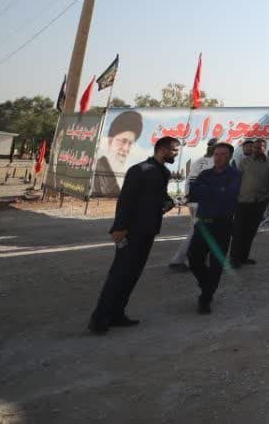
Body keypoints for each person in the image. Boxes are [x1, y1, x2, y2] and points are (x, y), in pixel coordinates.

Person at [88, 136, 178, 334]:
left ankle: (117, 314)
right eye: (174, 150)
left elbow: (157, 196)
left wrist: (168, 202)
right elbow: (126, 200)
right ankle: (99, 319)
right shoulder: (140, 170)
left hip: (148, 230)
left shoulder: (163, 172)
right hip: (131, 231)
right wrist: (119, 228)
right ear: (162, 150)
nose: (176, 154)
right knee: (119, 275)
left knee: (132, 276)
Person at [187, 142, 242, 314]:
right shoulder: (205, 174)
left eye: (223, 154)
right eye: (216, 154)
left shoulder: (235, 175)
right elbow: (193, 194)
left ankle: (205, 299)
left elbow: (230, 194)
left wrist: (208, 191)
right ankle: (207, 284)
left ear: (229, 156)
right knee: (193, 258)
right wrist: (217, 190)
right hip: (203, 223)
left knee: (216, 263)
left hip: (222, 225)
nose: (218, 157)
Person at [168, 138, 217, 270]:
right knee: (196, 232)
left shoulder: (198, 161)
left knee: (198, 231)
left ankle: (194, 259)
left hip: (193, 201)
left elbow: (189, 182)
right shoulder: (214, 162)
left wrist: (188, 200)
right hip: (203, 203)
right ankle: (179, 260)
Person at [230, 139, 269, 268]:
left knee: (251, 231)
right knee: (239, 231)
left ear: (264, 148)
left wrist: (267, 196)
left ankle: (244, 257)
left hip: (260, 202)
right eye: (254, 147)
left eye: (259, 147)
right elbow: (236, 180)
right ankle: (234, 259)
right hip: (243, 201)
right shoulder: (244, 162)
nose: (256, 150)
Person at [91, 110, 143, 198]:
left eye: (130, 143)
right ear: (110, 141)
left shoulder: (124, 175)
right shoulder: (97, 168)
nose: (126, 148)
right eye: (123, 141)